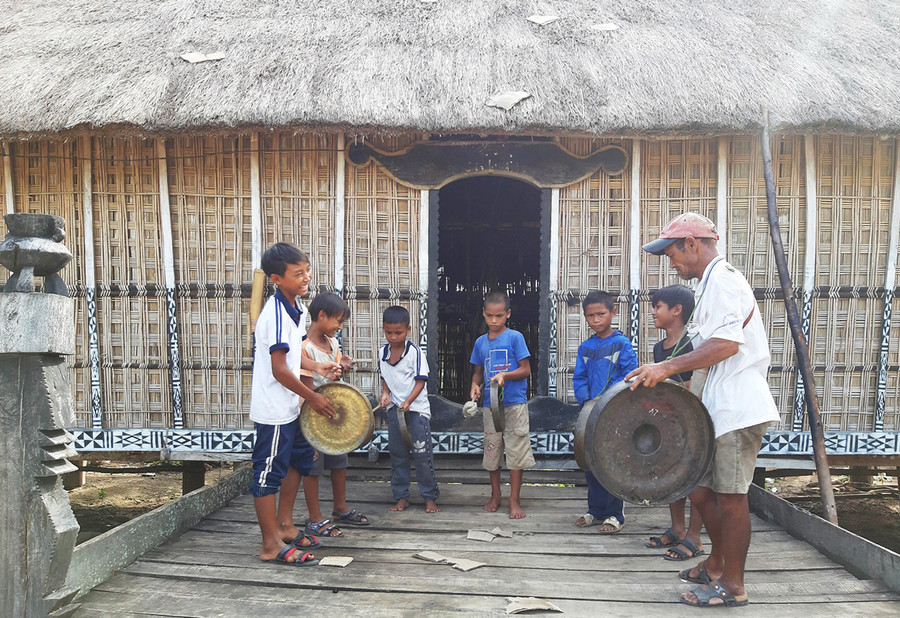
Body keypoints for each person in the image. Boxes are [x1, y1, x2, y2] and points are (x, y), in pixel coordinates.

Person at [627, 213, 780, 608]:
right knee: (700, 491)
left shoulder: (724, 280)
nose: (671, 264)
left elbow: (727, 345)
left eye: (673, 254)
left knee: (731, 498)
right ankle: (715, 563)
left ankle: (733, 585)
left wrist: (665, 367)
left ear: (692, 244)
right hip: (716, 408)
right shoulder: (709, 286)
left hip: (737, 406)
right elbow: (702, 357)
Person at [249, 242, 337, 567]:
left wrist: (317, 367)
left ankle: (285, 525)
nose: (306, 278)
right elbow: (279, 369)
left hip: (292, 404)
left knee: (300, 459)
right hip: (274, 409)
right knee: (268, 473)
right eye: (297, 274)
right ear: (276, 278)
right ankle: (270, 544)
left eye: (307, 271)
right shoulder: (273, 314)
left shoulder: (295, 307)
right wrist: (313, 396)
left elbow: (293, 354)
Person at [298, 292, 369, 537]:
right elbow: (306, 388)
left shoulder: (334, 343)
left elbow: (334, 377)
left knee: (340, 462)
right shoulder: (305, 349)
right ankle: (315, 518)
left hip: (334, 415)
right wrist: (311, 431)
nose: (340, 327)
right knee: (313, 467)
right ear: (321, 316)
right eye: (338, 321)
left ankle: (340, 508)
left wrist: (342, 366)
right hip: (313, 418)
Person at [644, 285, 706, 561]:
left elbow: (695, 383)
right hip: (668, 421)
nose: (654, 312)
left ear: (676, 310)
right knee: (673, 477)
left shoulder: (694, 345)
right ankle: (677, 528)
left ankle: (695, 537)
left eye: (658, 307)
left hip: (693, 421)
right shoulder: (659, 348)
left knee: (694, 480)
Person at [572, 290, 638, 533]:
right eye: (590, 316)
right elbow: (579, 378)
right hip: (591, 413)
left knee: (613, 463)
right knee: (591, 461)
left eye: (601, 314)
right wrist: (587, 401)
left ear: (613, 312)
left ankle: (615, 514)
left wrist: (610, 399)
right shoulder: (585, 348)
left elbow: (629, 376)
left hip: (615, 412)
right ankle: (595, 511)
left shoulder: (621, 344)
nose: (596, 320)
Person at [469, 291, 535, 519]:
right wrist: (475, 387)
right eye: (489, 316)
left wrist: (505, 375)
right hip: (490, 406)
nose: (494, 321)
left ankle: (514, 499)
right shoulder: (480, 342)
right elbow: (478, 372)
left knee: (516, 452)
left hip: (515, 404)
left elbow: (526, 369)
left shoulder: (515, 337)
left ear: (508, 313)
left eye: (499, 316)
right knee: (492, 451)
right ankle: (495, 494)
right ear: (484, 314)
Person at [378, 305, 440, 514]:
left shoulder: (415, 353)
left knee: (422, 455)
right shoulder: (382, 352)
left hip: (417, 412)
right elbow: (385, 378)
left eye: (398, 332)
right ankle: (401, 496)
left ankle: (429, 497)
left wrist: (409, 402)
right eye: (388, 332)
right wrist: (386, 394)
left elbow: (420, 382)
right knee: (398, 455)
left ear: (408, 330)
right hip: (396, 412)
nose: (393, 337)